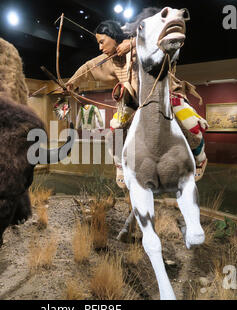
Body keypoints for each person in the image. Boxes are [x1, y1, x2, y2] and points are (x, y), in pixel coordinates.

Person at [65, 19, 208, 187]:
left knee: (191, 124)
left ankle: (200, 159)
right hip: (134, 102)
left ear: (113, 36)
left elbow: (164, 37)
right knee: (115, 130)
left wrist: (133, 43)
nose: (100, 47)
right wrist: (72, 83)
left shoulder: (141, 45)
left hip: (166, 94)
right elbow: (88, 67)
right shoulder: (109, 59)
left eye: (102, 41)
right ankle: (119, 165)